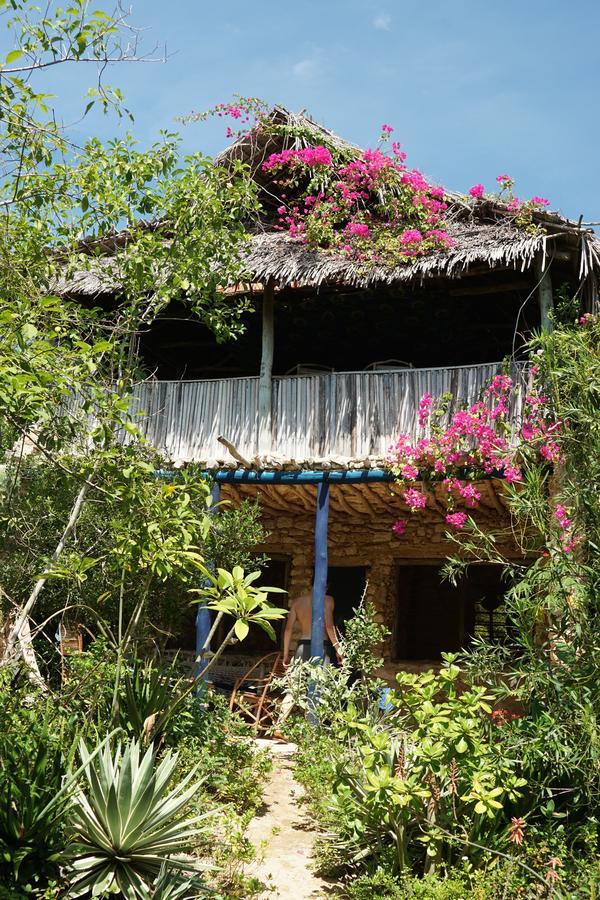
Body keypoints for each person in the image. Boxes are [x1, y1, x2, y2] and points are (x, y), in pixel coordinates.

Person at [282, 583, 342, 667]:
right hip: (321, 645)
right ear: (326, 588)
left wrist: (285, 655)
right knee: (321, 678)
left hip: (302, 645)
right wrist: (338, 649)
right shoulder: (327, 600)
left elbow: (288, 629)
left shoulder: (297, 602)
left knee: (301, 679)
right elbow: (329, 627)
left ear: (310, 586)